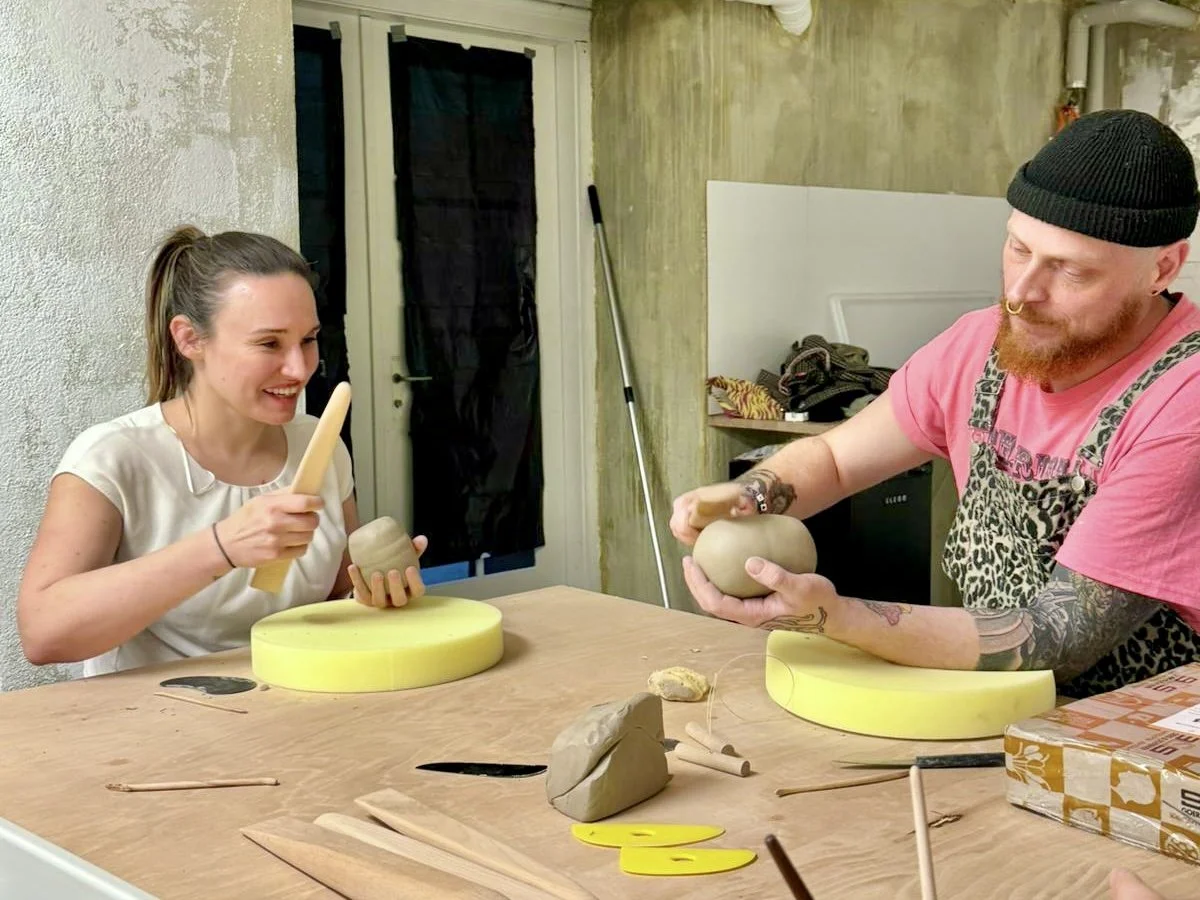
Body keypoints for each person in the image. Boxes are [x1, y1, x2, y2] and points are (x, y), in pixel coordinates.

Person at [672, 108, 1200, 701]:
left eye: (1071, 271)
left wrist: (835, 617)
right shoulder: (978, 346)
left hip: (1150, 725)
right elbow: (838, 462)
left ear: (1162, 267)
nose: (1023, 294)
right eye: (1017, 248)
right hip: (1003, 698)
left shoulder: (1184, 400)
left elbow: (1059, 638)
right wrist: (755, 493)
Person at [17, 226, 426, 676]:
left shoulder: (319, 443)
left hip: (302, 709)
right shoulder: (113, 457)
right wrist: (222, 547)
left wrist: (372, 594)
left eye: (308, 340)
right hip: (155, 727)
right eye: (269, 343)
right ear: (189, 339)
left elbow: (335, 597)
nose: (299, 368)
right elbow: (42, 633)